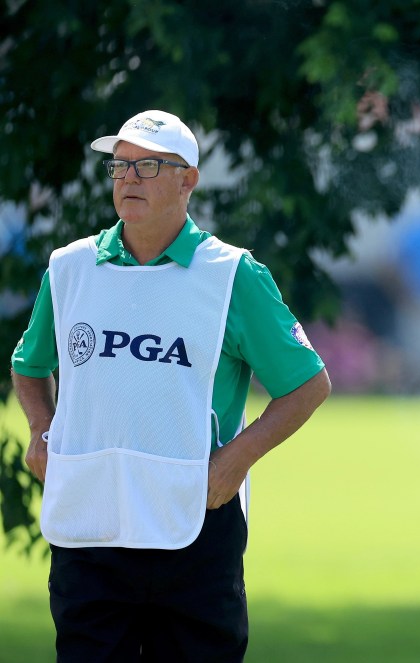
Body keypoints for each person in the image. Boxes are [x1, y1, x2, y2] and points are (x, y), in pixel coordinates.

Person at [10, 109, 332, 662]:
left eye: (149, 166)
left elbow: (307, 385)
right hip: (89, 528)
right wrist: (42, 428)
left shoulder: (232, 275)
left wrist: (235, 462)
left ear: (188, 181)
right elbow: (29, 363)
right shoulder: (70, 269)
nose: (129, 178)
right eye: (121, 166)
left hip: (194, 528)